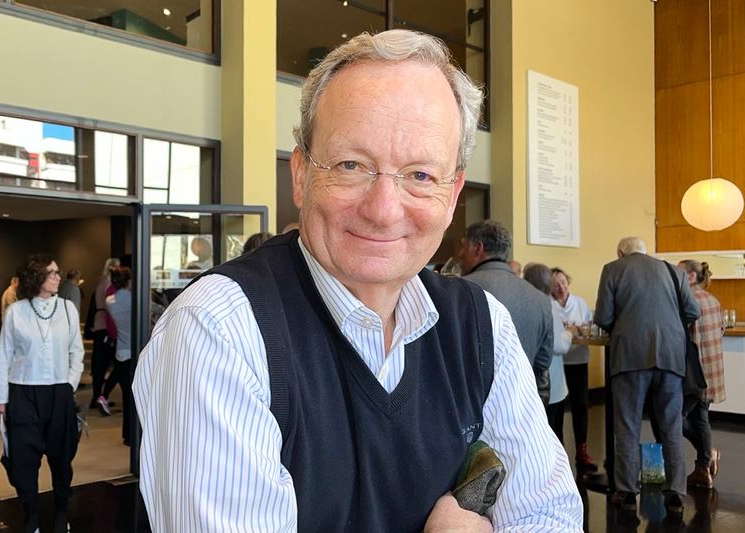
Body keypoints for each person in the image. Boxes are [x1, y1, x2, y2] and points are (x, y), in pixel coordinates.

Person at [134, 29, 582, 531]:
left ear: (453, 193)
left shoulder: (481, 326)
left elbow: (552, 516)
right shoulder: (219, 331)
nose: (384, 210)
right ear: (301, 174)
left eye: (420, 175)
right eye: (351, 165)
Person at [594, 237, 699, 514]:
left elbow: (602, 316)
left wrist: (626, 324)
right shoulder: (673, 271)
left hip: (630, 356)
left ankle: (628, 492)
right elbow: (693, 310)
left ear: (621, 253)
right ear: (645, 252)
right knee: (671, 426)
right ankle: (675, 493)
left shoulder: (613, 269)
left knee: (627, 426)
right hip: (671, 356)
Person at [0, 253, 84, 533]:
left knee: (61, 458)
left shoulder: (68, 309)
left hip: (59, 394)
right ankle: (30, 517)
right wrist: (1, 398)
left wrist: (69, 384)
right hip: (23, 393)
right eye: (52, 273)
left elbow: (76, 351)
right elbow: (3, 356)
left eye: (57, 272)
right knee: (23, 460)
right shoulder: (16, 312)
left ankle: (61, 513)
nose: (58, 277)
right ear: (36, 278)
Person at [459, 220, 554, 404]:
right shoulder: (540, 299)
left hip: (470, 407)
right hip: (522, 405)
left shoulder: (458, 291)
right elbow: (543, 363)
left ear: (478, 248)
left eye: (464, 246)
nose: (460, 253)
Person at [678, 259, 725, 488]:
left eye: (679, 273)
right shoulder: (713, 300)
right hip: (711, 371)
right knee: (701, 418)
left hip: (693, 373)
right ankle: (703, 469)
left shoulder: (686, 301)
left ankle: (707, 454)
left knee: (673, 419)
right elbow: (721, 329)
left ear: (690, 276)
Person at [523, 263, 577, 444]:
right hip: (549, 382)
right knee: (554, 435)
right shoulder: (547, 304)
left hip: (529, 381)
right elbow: (560, 346)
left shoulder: (523, 300)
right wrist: (569, 332)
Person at [551, 267, 598, 471]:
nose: (561, 288)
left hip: (578, 359)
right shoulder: (548, 304)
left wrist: (578, 329)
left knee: (581, 406)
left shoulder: (579, 303)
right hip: (558, 363)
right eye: (556, 285)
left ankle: (582, 451)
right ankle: (558, 454)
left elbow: (590, 327)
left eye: (563, 283)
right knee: (557, 409)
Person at [104, 266, 133, 446]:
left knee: (126, 395)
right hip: (135, 350)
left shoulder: (109, 301)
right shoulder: (134, 299)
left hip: (121, 350)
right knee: (133, 396)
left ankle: (127, 434)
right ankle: (131, 435)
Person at [89, 258, 119, 409]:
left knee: (100, 365)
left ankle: (98, 396)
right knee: (117, 365)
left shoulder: (101, 282)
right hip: (106, 325)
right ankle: (102, 397)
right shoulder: (109, 283)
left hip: (99, 324)